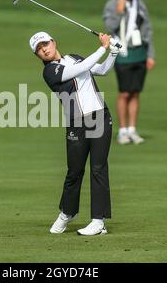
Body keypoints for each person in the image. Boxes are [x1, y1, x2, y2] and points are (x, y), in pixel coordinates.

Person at [29, 31, 120, 235]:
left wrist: (112, 53)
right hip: (76, 123)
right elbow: (81, 68)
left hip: (99, 118)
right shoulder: (50, 72)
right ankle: (67, 213)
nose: (44, 49)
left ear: (53, 41)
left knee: (98, 168)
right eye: (39, 49)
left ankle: (98, 221)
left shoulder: (75, 57)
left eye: (45, 43)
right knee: (74, 171)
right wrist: (103, 47)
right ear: (38, 55)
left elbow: (102, 70)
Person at [103, 0, 156, 145]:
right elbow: (109, 26)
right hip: (123, 53)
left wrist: (150, 54)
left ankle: (132, 129)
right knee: (124, 92)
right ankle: (122, 130)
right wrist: (119, 13)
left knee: (135, 92)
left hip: (139, 52)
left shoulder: (139, 4)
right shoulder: (112, 4)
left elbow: (147, 29)